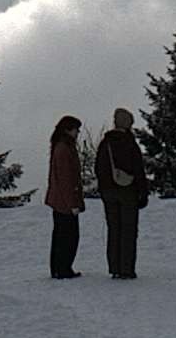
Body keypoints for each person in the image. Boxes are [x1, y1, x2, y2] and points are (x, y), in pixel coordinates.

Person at [94, 106, 149, 279]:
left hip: (108, 192)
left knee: (113, 229)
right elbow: (138, 169)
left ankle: (114, 267)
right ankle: (127, 268)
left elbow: (99, 168)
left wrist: (104, 187)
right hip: (128, 191)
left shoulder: (106, 143)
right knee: (128, 230)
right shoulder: (129, 143)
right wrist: (143, 192)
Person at [44, 115, 86, 278]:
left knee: (61, 235)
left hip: (60, 201)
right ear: (68, 130)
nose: (78, 133)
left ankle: (59, 268)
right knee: (68, 236)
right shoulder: (64, 148)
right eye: (76, 129)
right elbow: (66, 179)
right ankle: (63, 268)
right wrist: (72, 204)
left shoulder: (60, 146)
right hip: (64, 202)